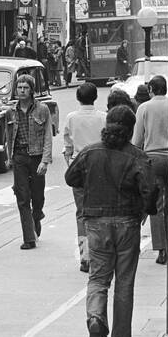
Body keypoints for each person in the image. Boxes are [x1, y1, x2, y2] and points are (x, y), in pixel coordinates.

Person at [66, 104, 158, 337]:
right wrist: (146, 210)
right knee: (125, 280)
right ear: (130, 130)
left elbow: (70, 177)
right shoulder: (137, 156)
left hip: (96, 222)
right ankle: (121, 336)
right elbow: (150, 191)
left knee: (98, 277)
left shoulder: (90, 152)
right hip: (127, 221)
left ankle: (96, 316)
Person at [62, 81, 106, 273]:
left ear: (78, 98)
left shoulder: (71, 118)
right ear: (95, 97)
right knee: (100, 211)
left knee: (81, 213)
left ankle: (85, 256)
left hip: (79, 167)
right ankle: (100, 253)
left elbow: (68, 144)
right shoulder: (103, 118)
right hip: (99, 168)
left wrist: (69, 162)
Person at [10, 73, 52, 249]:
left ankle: (37, 216)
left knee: (38, 196)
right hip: (19, 156)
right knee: (22, 198)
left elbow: (48, 136)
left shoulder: (42, 109)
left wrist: (45, 160)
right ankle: (29, 238)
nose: (22, 90)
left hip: (36, 158)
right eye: (19, 87)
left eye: (25, 87)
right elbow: (7, 135)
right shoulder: (11, 111)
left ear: (32, 90)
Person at [132, 75, 168, 264]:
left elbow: (137, 140)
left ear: (151, 90)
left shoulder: (144, 108)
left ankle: (162, 249)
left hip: (152, 159)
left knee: (157, 205)